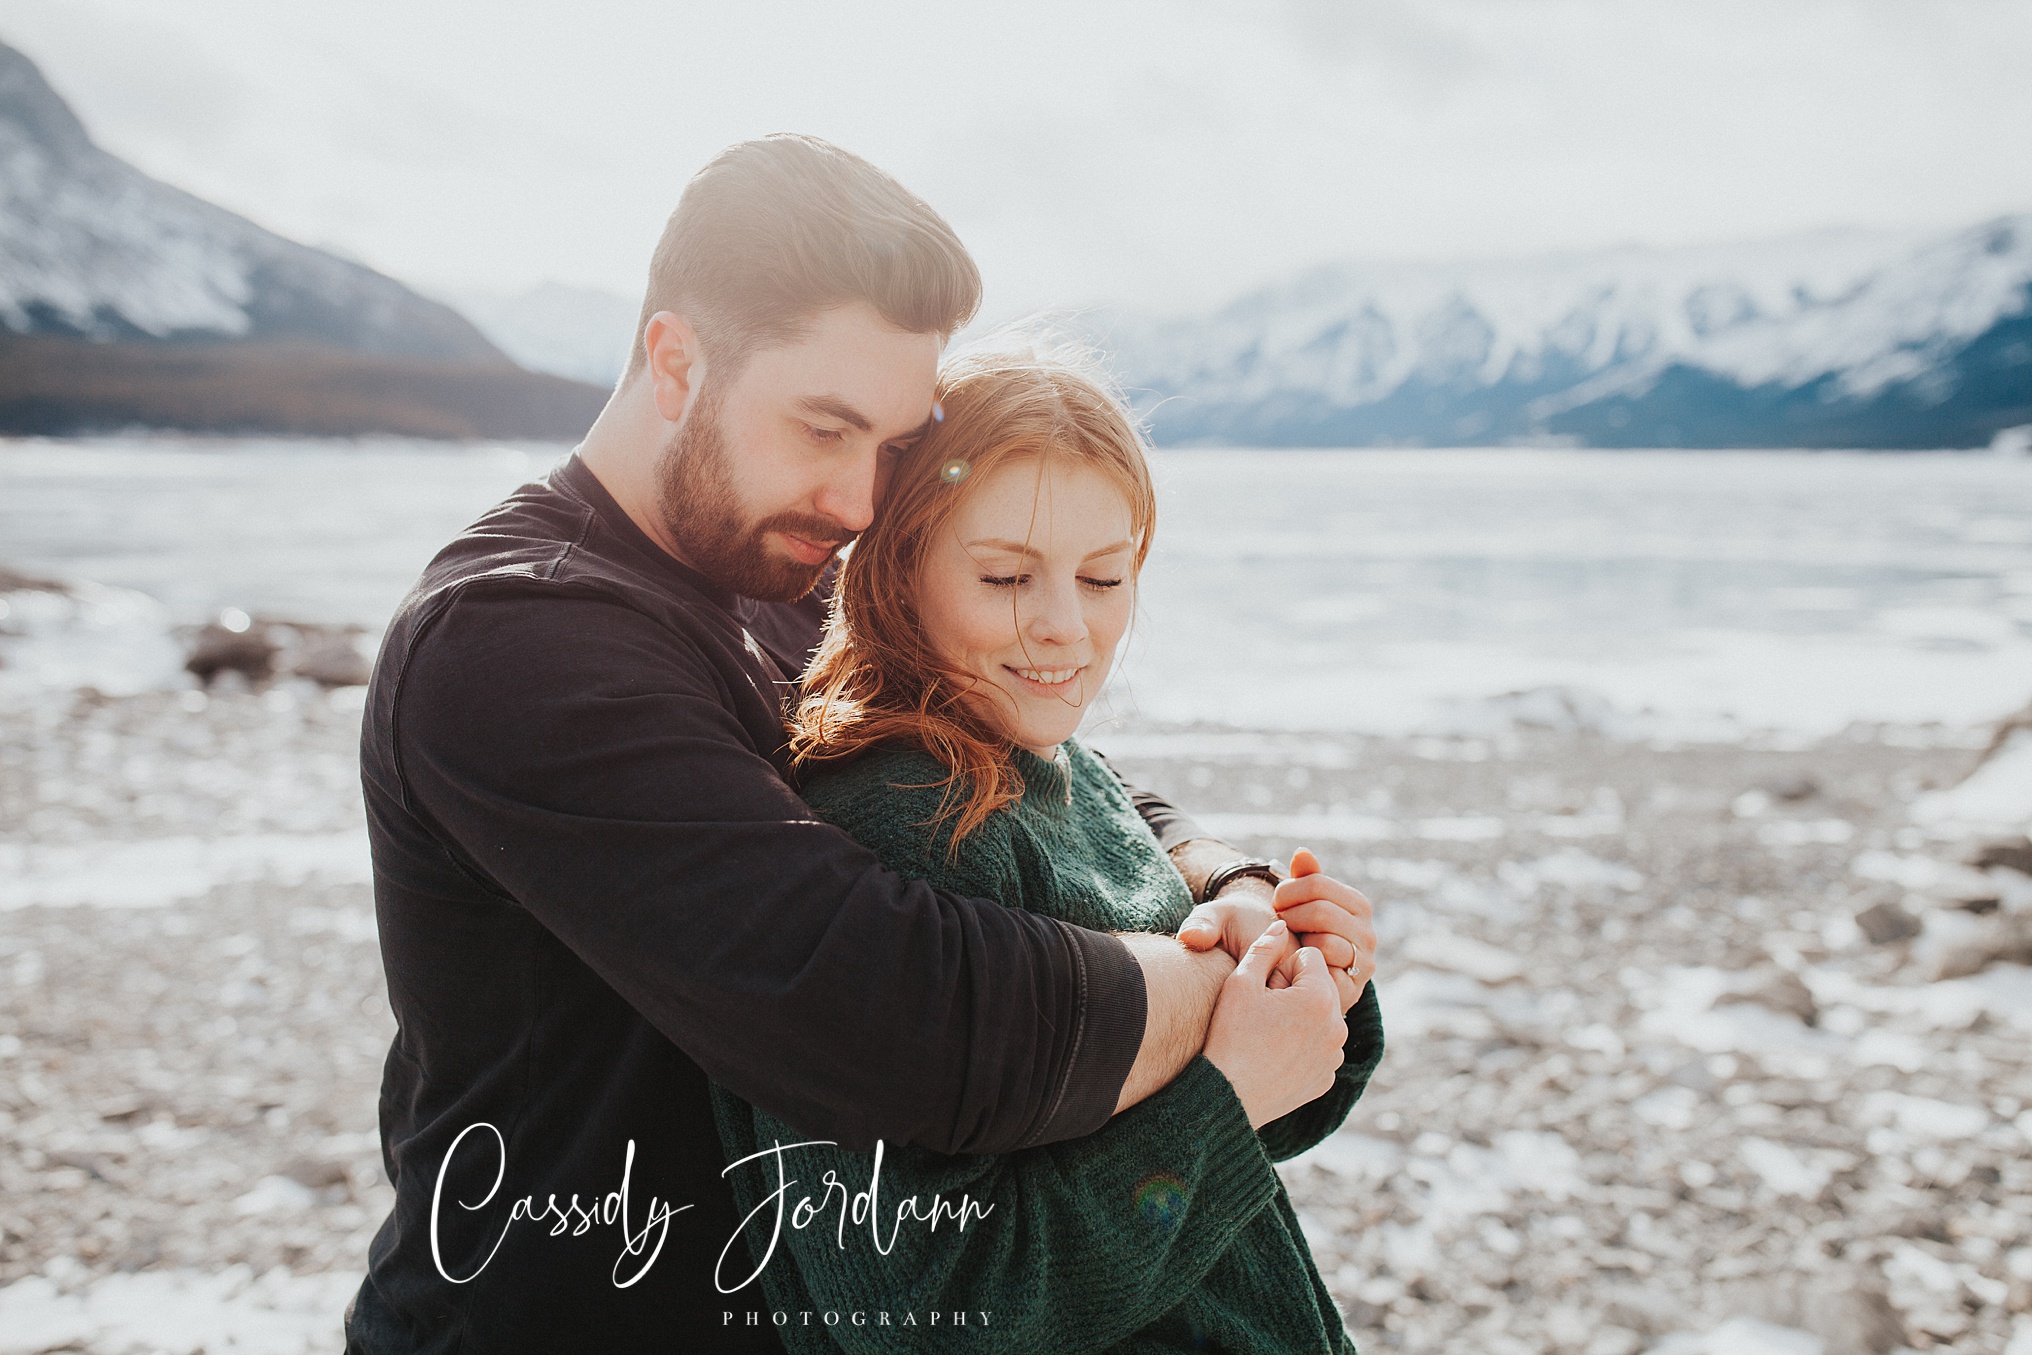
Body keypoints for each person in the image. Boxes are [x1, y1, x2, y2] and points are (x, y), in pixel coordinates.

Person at [345, 134, 1376, 1353]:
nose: (857, 501)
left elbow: (1022, 777)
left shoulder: (779, 569)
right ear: (673, 362)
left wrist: (1223, 877)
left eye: (888, 446)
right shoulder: (514, 639)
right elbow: (887, 1004)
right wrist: (1238, 998)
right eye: (822, 427)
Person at [711, 350, 1383, 1352]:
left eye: (1104, 575)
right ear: (895, 567)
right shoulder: (895, 824)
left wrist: (1301, 973)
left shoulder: (1048, 760)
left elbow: (1252, 1120)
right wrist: (1231, 1093)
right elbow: (927, 1304)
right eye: (1006, 574)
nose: (1066, 626)